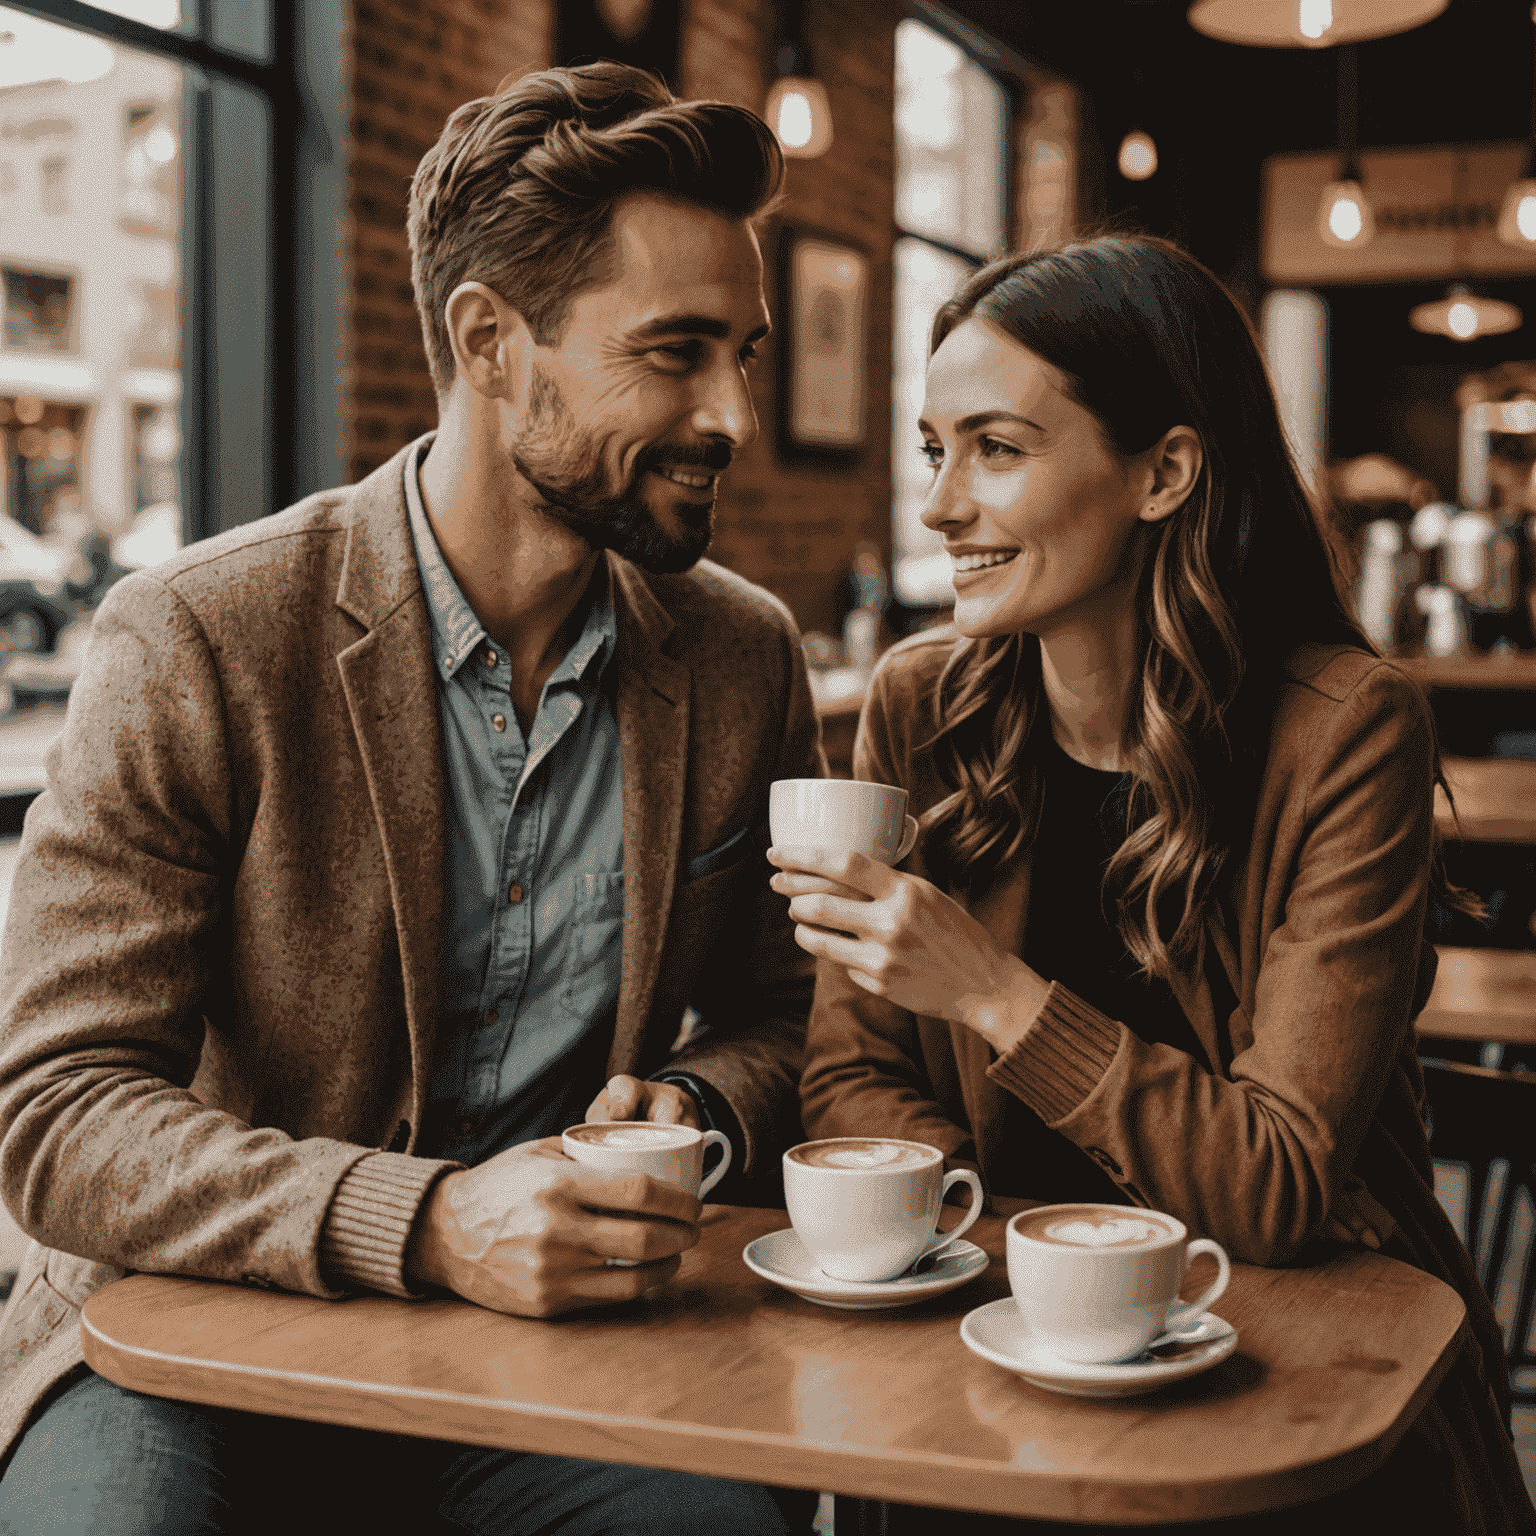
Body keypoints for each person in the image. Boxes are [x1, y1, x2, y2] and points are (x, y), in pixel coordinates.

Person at [0, 63, 821, 1535]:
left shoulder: (741, 654)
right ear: (490, 343)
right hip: (186, 1339)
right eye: (678, 353)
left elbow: (797, 1017)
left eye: (746, 355)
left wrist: (693, 1108)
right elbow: (58, 1114)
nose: (733, 415)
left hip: (556, 1359)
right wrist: (435, 1223)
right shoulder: (198, 634)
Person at [771, 233, 1536, 1534]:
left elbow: (1278, 1186)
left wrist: (999, 996)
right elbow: (853, 1078)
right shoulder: (920, 707)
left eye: (996, 450)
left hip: (1303, 1374)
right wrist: (1024, 1265)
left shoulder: (1344, 730)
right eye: (932, 449)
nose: (940, 504)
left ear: (1163, 472)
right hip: (1002, 1355)